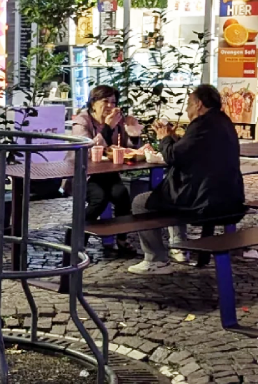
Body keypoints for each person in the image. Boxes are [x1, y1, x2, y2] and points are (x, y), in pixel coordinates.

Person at [128, 84, 245, 275]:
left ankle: (156, 259)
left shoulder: (201, 125)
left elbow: (173, 157)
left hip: (204, 201)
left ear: (199, 104)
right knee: (168, 194)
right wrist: (172, 136)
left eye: (189, 105)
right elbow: (191, 150)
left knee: (141, 202)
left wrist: (164, 138)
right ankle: (176, 246)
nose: (188, 110)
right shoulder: (223, 122)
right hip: (229, 196)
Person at [70, 85, 143, 251]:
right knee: (99, 199)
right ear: (93, 103)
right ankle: (77, 240)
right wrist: (108, 127)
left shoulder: (117, 121)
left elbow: (126, 146)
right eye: (106, 101)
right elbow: (85, 149)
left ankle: (122, 239)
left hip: (107, 173)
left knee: (122, 195)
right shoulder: (82, 121)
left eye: (113, 102)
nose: (111, 106)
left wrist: (133, 133)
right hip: (84, 174)